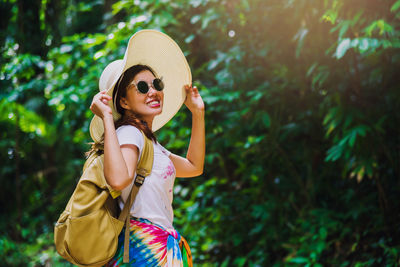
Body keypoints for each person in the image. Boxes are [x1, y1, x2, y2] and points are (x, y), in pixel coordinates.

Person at [88, 30, 205, 266]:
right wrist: (108, 118)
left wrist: (198, 114)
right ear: (123, 101)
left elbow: (194, 167)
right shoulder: (130, 134)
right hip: (145, 249)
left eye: (157, 84)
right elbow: (119, 180)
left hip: (158, 245)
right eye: (142, 87)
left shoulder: (149, 144)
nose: (153, 91)